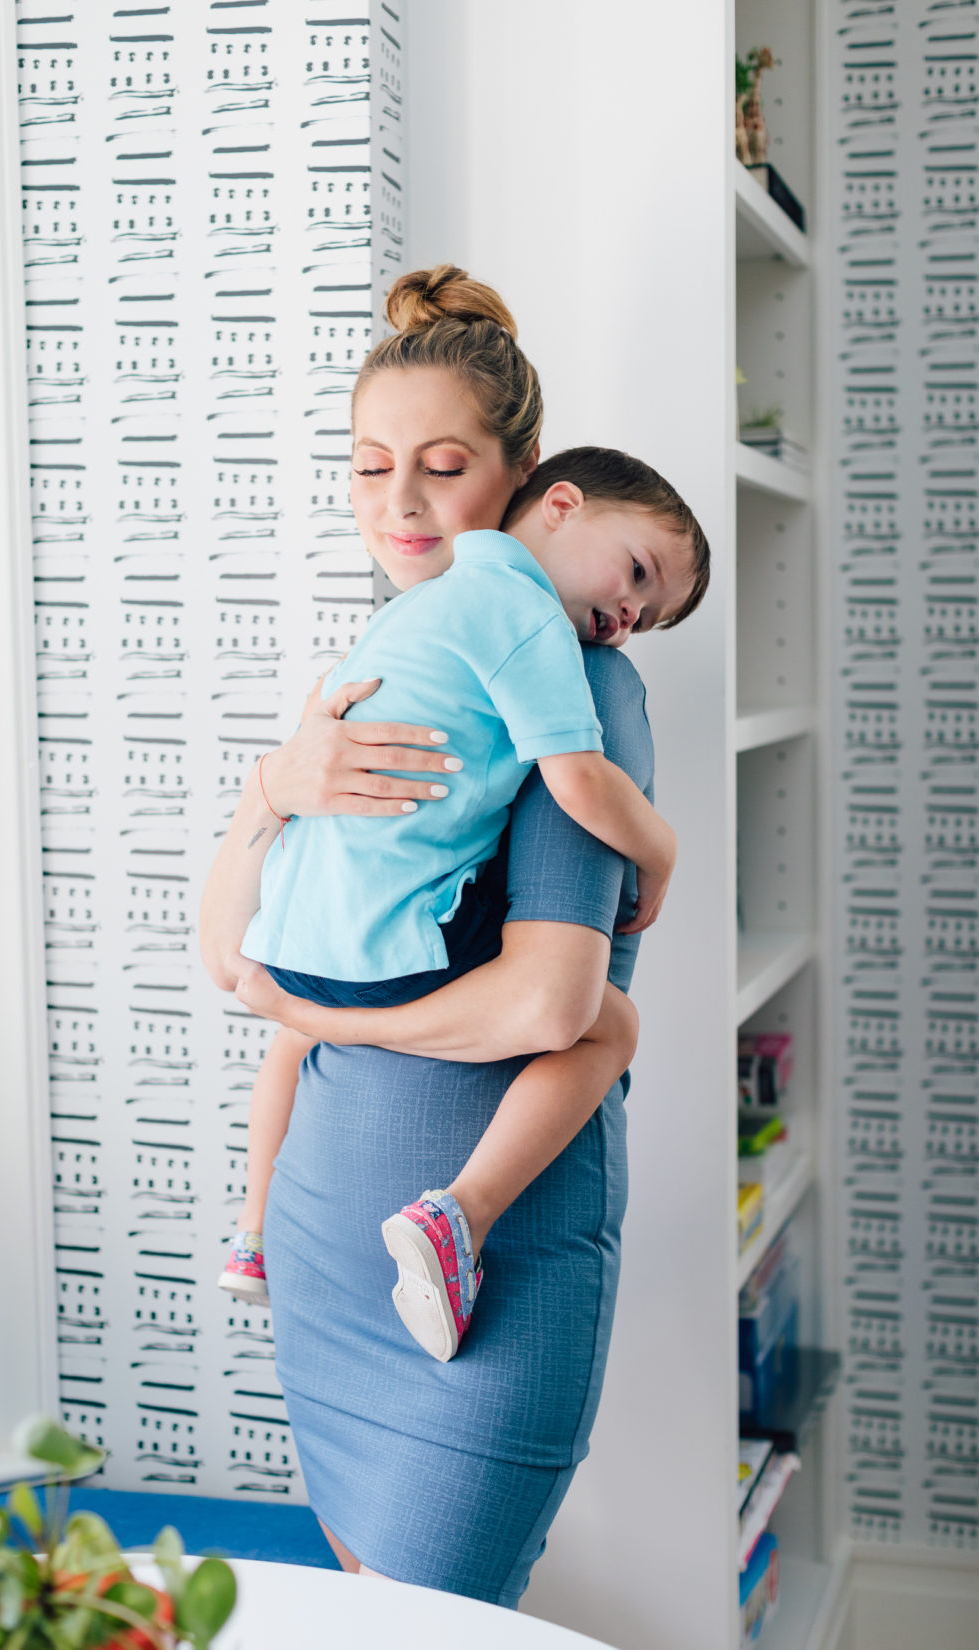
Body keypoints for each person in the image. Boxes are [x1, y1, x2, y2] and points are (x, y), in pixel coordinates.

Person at [198, 264, 705, 1602]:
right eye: (369, 470)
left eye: (439, 464)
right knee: (369, 1603)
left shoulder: (584, 680)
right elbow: (226, 948)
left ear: (531, 477)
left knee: (431, 1613)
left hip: (479, 1293)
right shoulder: (395, 648)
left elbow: (548, 1008)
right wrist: (268, 793)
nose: (401, 505)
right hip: (321, 1239)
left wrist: (331, 1020)